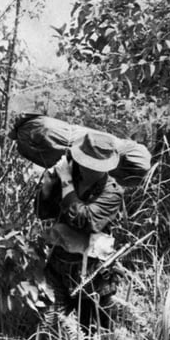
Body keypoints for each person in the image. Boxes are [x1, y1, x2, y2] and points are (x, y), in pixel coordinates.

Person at [35, 132, 124, 328]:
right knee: (48, 326)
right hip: (58, 263)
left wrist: (66, 181)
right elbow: (44, 213)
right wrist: (48, 186)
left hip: (94, 273)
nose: (88, 169)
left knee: (94, 335)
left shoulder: (112, 192)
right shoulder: (68, 174)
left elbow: (85, 220)